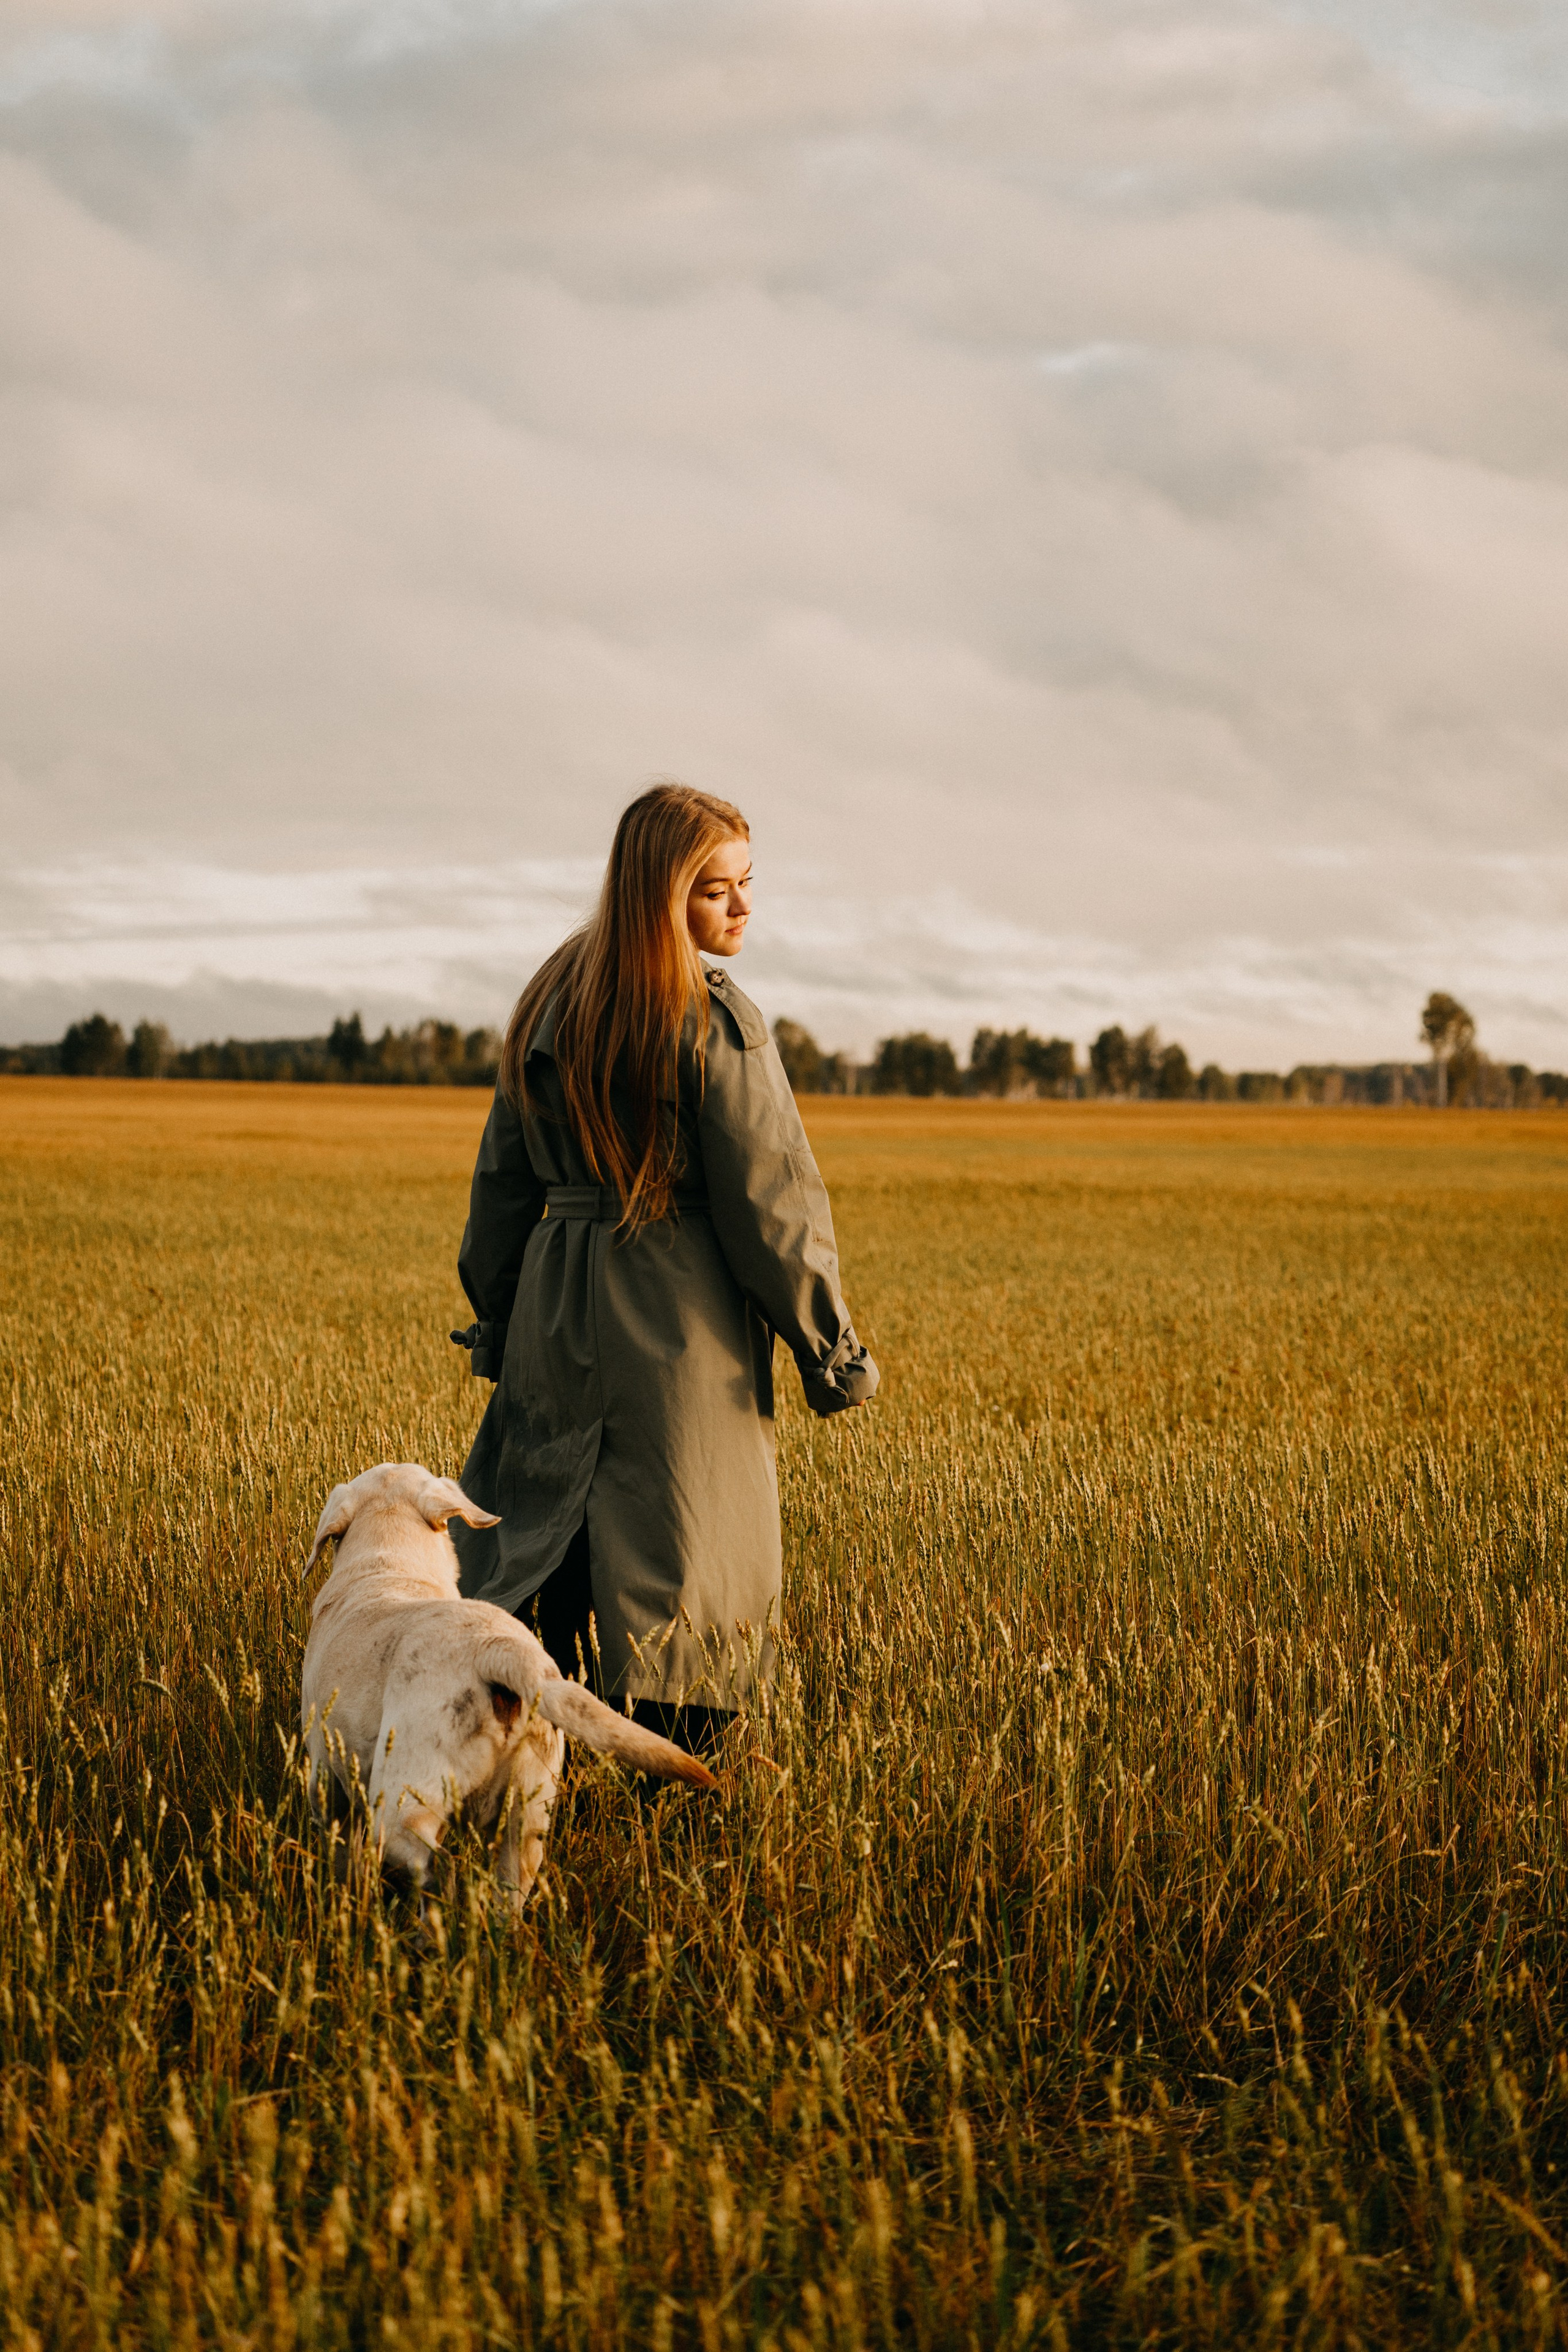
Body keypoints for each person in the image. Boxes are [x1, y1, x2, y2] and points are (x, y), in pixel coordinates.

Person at [448, 782, 878, 1755]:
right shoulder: (713, 1016)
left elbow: (498, 1194)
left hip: (556, 1312)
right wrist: (830, 1353)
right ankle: (676, 1792)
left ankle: (519, 1751)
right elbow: (773, 1201)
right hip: (681, 1320)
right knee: (692, 1553)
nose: (744, 908)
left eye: (746, 884)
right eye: (716, 890)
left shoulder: (549, 998)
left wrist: (502, 1324)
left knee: (539, 1542)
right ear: (660, 894)